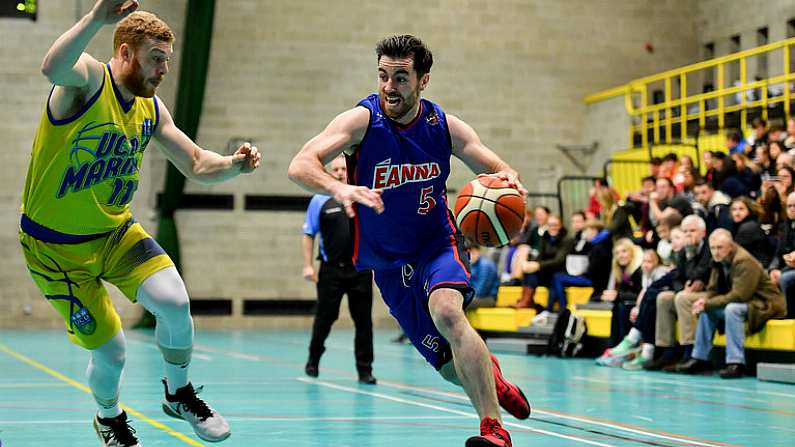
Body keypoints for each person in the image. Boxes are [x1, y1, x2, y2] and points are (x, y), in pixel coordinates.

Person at [19, 2, 261, 445]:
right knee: (112, 353)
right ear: (126, 53)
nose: (163, 69)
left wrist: (233, 165)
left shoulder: (150, 108)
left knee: (174, 302)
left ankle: (178, 391)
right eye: (156, 58)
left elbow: (195, 162)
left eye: (168, 59)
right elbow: (52, 66)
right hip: (56, 250)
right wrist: (96, 18)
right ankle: (109, 417)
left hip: (114, 233)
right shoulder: (89, 80)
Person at [288, 35, 529, 447]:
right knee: (449, 367)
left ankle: (493, 430)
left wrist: (508, 177)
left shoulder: (443, 126)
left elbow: (494, 163)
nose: (389, 86)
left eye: (401, 77)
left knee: (448, 314)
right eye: (383, 75)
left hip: (437, 243)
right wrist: (338, 188)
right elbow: (300, 164)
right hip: (386, 264)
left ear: (423, 80)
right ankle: (491, 374)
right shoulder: (360, 122)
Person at [302, 156, 376, 385]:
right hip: (331, 271)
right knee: (325, 318)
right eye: (336, 169)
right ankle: (313, 360)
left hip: (360, 269)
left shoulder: (361, 196)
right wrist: (307, 265)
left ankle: (365, 370)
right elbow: (308, 233)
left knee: (363, 321)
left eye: (344, 168)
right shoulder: (319, 200)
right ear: (329, 172)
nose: (341, 172)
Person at [679, 230, 787, 378]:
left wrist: (708, 303)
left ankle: (736, 363)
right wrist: (704, 302)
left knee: (732, 309)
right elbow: (713, 289)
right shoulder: (718, 261)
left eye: (719, 247)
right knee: (707, 310)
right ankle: (700, 358)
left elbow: (740, 296)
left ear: (730, 246)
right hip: (748, 303)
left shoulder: (744, 261)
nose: (715, 252)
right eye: (713, 248)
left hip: (765, 304)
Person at [648, 215, 711, 371]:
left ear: (703, 232)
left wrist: (687, 287)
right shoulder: (684, 250)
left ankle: (690, 352)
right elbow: (677, 277)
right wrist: (681, 288)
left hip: (710, 291)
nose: (689, 234)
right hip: (688, 291)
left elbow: (702, 273)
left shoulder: (710, 247)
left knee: (682, 298)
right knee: (664, 298)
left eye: (692, 230)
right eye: (685, 231)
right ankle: (667, 351)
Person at [468, 243, 500, 308]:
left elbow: (481, 291)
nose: (470, 256)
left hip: (488, 299)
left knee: (460, 304)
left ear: (478, 252)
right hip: (476, 297)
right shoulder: (472, 264)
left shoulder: (485, 265)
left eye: (473, 253)